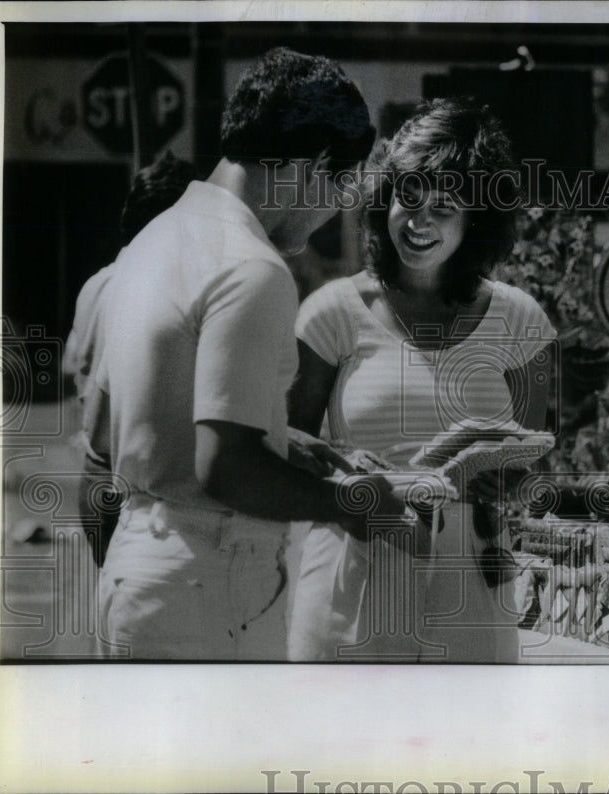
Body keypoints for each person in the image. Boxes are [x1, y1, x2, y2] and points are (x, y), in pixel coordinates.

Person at [93, 47, 406, 660]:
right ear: (315, 166)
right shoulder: (252, 266)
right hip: (210, 581)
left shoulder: (154, 240)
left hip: (136, 569)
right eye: (343, 186)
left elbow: (126, 426)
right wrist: (352, 506)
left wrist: (286, 440)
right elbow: (225, 468)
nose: (338, 207)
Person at [287, 98, 556, 662]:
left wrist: (502, 482)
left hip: (471, 584)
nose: (419, 221)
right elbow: (280, 442)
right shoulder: (331, 311)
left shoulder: (522, 319)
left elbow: (535, 458)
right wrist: (342, 471)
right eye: (408, 197)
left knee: (469, 747)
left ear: (476, 218)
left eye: (445, 206)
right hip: (353, 571)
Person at [65, 151, 197, 567]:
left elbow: (78, 371)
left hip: (95, 474)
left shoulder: (97, 282)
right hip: (131, 482)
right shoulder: (159, 290)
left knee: (115, 617)